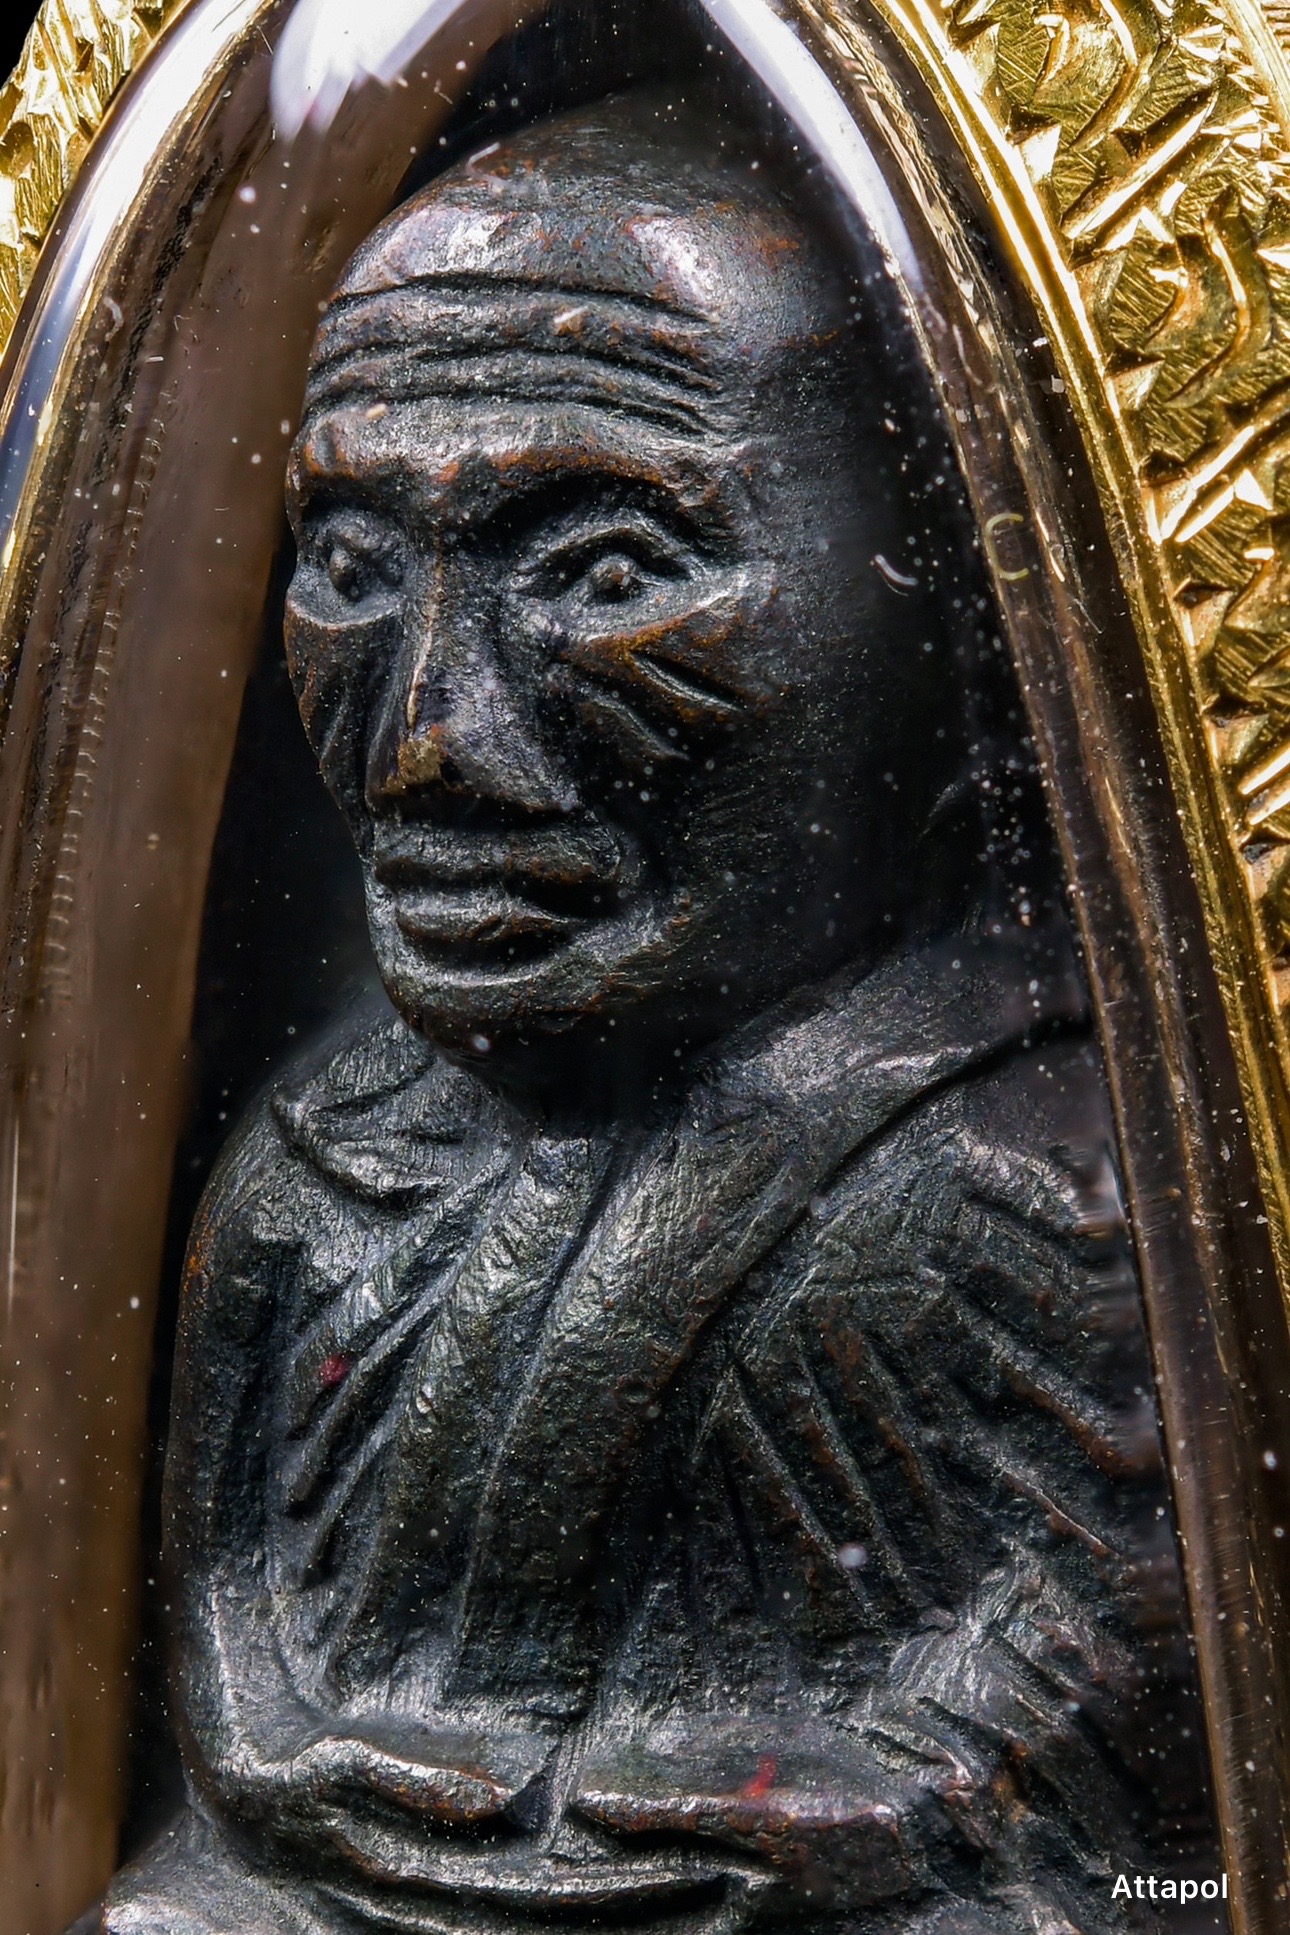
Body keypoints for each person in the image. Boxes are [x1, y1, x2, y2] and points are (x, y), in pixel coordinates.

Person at [103, 87, 1191, 1935]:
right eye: (351, 570)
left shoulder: (1040, 1197)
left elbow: (1124, 1716)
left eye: (605, 576)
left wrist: (897, 1804)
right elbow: (224, 1633)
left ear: (968, 648)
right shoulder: (314, 1175)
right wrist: (282, 1761)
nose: (430, 741)